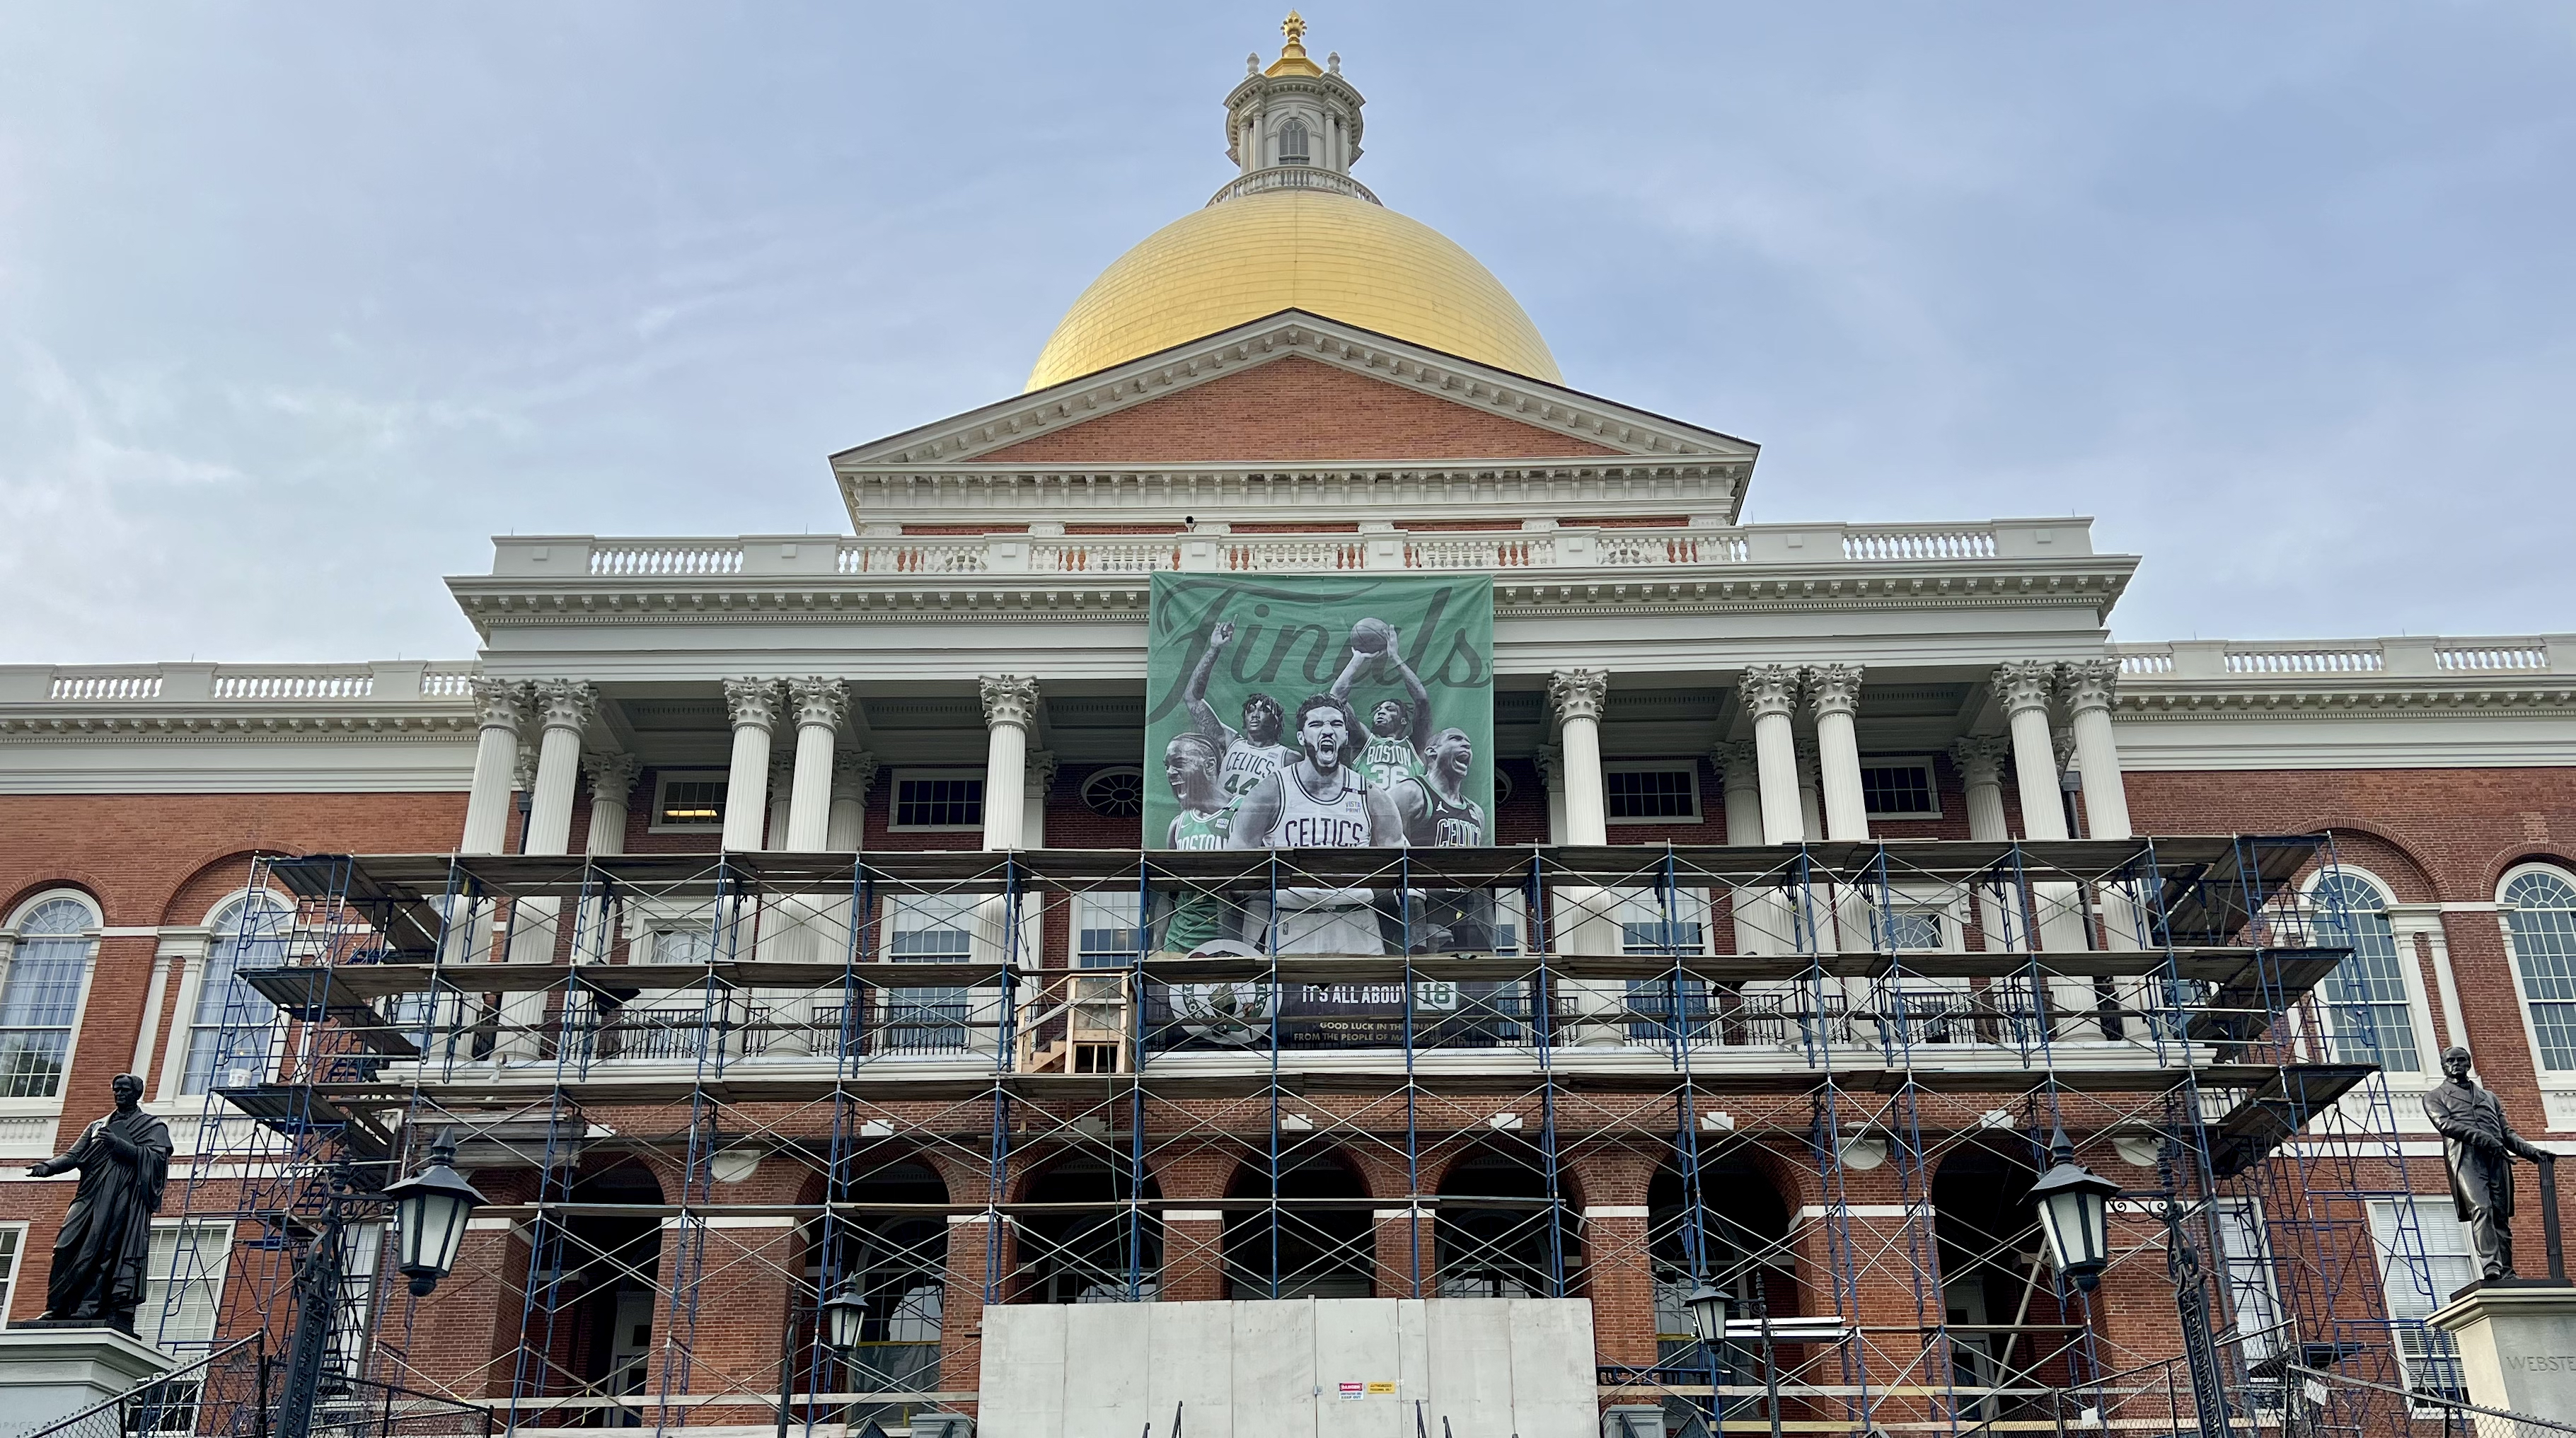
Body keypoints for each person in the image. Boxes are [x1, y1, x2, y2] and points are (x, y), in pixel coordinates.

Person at [1228, 693, 1404, 953]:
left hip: (1355, 918)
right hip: (1291, 918)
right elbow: (1235, 865)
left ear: (1345, 735)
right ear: (1301, 738)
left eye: (1335, 724)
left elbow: (1401, 866)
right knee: (1291, 995)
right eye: (1316, 725)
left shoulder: (1372, 794)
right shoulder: (1271, 791)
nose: (1327, 731)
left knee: (1358, 993)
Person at [27, 1072, 173, 1331]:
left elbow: (157, 1160)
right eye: (116, 1089)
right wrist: (48, 1167)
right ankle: (56, 1306)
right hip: (89, 1194)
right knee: (65, 1246)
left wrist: (121, 1146)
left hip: (121, 1197)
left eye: (125, 1090)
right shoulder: (97, 1125)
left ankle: (90, 1305)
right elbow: (74, 1155)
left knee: (105, 1248)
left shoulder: (152, 1126)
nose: (119, 1094)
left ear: (136, 1093)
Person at [2425, 1045, 2554, 1281]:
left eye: (2462, 1060)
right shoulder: (2435, 1097)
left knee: (2500, 1215)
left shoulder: (2489, 1097)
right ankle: (2490, 1265)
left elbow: (2507, 1133)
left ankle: (2507, 1270)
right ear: (2443, 1065)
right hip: (2467, 1158)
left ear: (2469, 1063)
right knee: (2481, 1208)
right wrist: (2484, 1138)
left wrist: (2533, 1153)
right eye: (2451, 1061)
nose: (2457, 1064)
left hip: (2497, 1160)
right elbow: (2445, 1125)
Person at [1182, 621, 1299, 806]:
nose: (1255, 714)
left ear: (1276, 721)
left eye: (1264, 710)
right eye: (1251, 709)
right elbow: (1192, 699)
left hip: (1258, 828)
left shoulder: (1289, 757)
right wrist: (1214, 649)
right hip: (1222, 820)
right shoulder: (1231, 742)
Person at [1399, 728, 1495, 951]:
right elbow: (1388, 858)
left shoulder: (1476, 812)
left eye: (1469, 743)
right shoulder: (1412, 792)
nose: (1466, 746)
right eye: (1456, 739)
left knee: (1476, 976)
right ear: (1432, 752)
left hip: (1466, 915)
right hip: (1422, 909)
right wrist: (1418, 929)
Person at [1329, 624, 1434, 796]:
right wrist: (1358, 659)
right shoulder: (1363, 742)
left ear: (1403, 721)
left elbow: (1422, 700)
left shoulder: (1416, 746)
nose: (1380, 712)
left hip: (1405, 816)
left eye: (1390, 709)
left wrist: (1395, 658)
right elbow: (1335, 700)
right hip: (1368, 814)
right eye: (1378, 709)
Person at [1160, 731, 1240, 951]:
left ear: (1210, 765)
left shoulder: (1242, 811)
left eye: (1179, 763)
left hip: (1227, 943)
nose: (1170, 772)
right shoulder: (1178, 824)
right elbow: (1168, 893)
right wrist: (1158, 948)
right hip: (1179, 943)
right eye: (1167, 765)